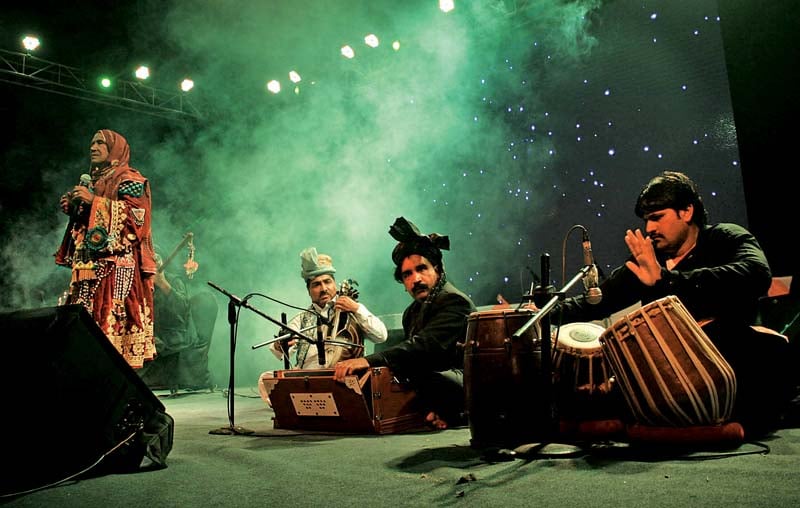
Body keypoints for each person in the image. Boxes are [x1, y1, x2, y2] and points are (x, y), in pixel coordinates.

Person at [551, 170, 796, 435]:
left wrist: (666, 280)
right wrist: (538, 314)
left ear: (687, 211)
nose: (649, 229)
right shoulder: (649, 259)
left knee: (755, 344)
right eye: (647, 220)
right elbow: (595, 301)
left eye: (657, 218)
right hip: (668, 375)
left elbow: (756, 274)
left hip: (727, 366)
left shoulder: (725, 238)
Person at [334, 217, 477, 430]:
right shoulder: (411, 312)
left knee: (426, 376)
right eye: (407, 274)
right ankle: (435, 412)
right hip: (432, 380)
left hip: (467, 382)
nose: (416, 278)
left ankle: (452, 413)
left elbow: (424, 346)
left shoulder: (454, 301)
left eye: (422, 269)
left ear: (437, 270)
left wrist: (369, 361)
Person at [54, 129, 157, 369]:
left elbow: (137, 219)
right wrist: (76, 209)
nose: (93, 147)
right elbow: (88, 228)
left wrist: (94, 202)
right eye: (92, 143)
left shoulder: (130, 179)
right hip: (88, 269)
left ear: (115, 149)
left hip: (117, 268)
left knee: (112, 329)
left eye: (100, 143)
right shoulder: (95, 181)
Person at [268, 247, 388, 370]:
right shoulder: (302, 319)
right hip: (308, 380)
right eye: (316, 284)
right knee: (265, 378)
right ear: (309, 291)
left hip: (345, 379)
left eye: (327, 281)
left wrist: (356, 308)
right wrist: (279, 345)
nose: (324, 288)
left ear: (334, 284)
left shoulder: (353, 311)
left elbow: (381, 336)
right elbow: (279, 350)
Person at [138, 249, 216, 392]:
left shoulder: (173, 281)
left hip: (172, 338)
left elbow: (182, 311)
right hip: (148, 337)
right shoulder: (138, 284)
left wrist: (163, 284)